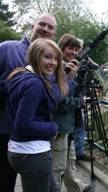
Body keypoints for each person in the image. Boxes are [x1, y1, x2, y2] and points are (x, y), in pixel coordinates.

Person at [0, 13, 58, 192]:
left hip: (34, 142)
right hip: (4, 133)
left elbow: (51, 96)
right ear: (33, 26)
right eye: (42, 24)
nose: (45, 29)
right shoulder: (7, 48)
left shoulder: (51, 62)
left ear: (54, 34)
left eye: (50, 27)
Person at [5, 38, 67, 192]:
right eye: (48, 57)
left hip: (21, 150)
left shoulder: (20, 74)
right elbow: (23, 124)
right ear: (35, 56)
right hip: (32, 153)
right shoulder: (35, 83)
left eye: (56, 59)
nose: (53, 62)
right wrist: (52, 128)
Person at [51, 33, 92, 192]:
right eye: (70, 48)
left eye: (77, 49)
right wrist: (80, 102)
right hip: (59, 127)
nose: (74, 52)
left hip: (68, 126)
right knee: (57, 168)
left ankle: (77, 188)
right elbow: (61, 102)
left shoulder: (70, 66)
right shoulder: (58, 68)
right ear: (61, 48)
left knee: (69, 161)